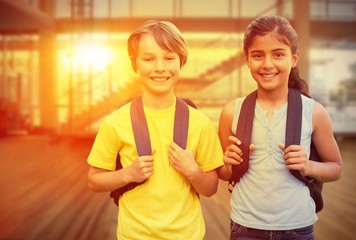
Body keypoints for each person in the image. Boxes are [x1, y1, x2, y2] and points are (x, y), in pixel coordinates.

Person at [87, 20, 224, 240]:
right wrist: (128, 174)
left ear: (182, 62)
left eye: (169, 58)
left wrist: (193, 171)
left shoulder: (200, 123)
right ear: (135, 64)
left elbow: (210, 188)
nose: (160, 68)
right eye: (149, 59)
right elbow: (94, 180)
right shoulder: (115, 122)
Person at [218, 16, 343, 240]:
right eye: (257, 55)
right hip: (244, 227)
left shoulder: (313, 112)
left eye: (278, 54)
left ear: (294, 58)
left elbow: (336, 168)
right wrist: (228, 164)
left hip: (297, 227)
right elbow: (223, 173)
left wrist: (308, 166)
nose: (267, 64)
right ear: (247, 60)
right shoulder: (231, 112)